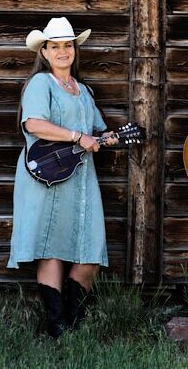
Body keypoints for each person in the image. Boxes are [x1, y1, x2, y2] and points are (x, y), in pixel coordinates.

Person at [7, 17, 118, 338]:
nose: (62, 51)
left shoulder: (83, 91)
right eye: (55, 46)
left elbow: (96, 132)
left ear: (74, 50)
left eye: (67, 45)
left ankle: (73, 322)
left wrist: (111, 137)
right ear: (44, 51)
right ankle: (59, 329)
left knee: (89, 251)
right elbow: (33, 124)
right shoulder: (42, 84)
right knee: (51, 248)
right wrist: (76, 136)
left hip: (80, 177)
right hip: (44, 176)